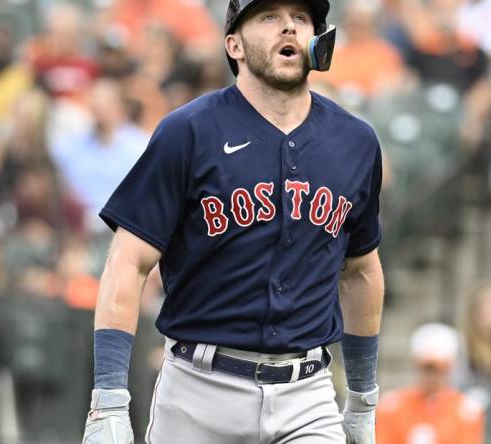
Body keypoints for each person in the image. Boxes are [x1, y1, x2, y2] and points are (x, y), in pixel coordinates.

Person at [82, 1, 385, 443]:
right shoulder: (188, 131)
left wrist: (362, 397)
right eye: (268, 16)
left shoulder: (355, 142)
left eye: (301, 18)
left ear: (319, 41)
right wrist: (108, 397)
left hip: (307, 395)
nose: (288, 27)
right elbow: (127, 263)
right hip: (199, 391)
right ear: (234, 45)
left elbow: (361, 272)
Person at [376, 323, 485, 444]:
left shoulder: (467, 411)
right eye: (427, 369)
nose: (432, 377)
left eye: (438, 370)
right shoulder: (391, 406)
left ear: (450, 368)